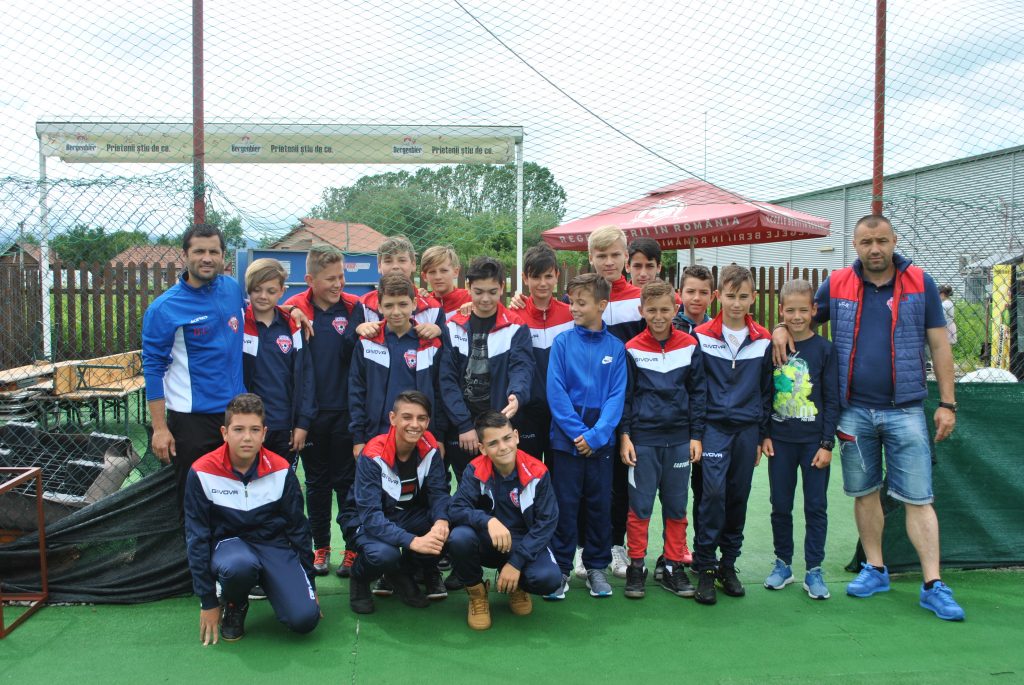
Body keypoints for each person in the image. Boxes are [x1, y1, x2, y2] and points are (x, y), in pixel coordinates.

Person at [771, 214, 964, 621]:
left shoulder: (921, 283)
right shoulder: (837, 283)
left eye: (881, 241)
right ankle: (875, 569)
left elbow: (940, 345)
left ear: (894, 240)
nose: (874, 249)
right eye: (866, 242)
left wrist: (947, 403)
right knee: (865, 492)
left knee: (918, 498)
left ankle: (933, 584)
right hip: (853, 411)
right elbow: (801, 317)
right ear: (855, 246)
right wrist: (778, 329)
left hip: (906, 409)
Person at [184, 394, 319, 645]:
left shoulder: (281, 470)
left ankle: (277, 584)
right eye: (238, 429)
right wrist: (207, 601)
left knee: (305, 620)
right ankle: (234, 603)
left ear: (264, 434)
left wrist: (309, 583)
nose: (247, 437)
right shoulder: (202, 472)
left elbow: (299, 530)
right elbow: (197, 537)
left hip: (272, 545)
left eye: (254, 430)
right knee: (239, 566)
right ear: (225, 433)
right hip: (229, 547)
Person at [142, 223, 247, 511]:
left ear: (223, 256)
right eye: (199, 251)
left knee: (236, 499)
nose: (207, 258)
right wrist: (159, 428)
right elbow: (153, 369)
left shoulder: (231, 288)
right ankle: (192, 543)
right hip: (192, 422)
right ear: (185, 255)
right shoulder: (164, 308)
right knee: (195, 503)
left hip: (235, 415)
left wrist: (291, 310)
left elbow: (253, 313)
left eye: (214, 251)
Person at [691, 264, 773, 606]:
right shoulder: (701, 336)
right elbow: (696, 388)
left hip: (746, 430)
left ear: (753, 297)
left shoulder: (764, 339)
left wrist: (761, 433)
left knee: (738, 495)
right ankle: (705, 567)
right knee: (711, 495)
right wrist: (696, 432)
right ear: (718, 297)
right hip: (712, 428)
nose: (736, 303)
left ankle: (728, 564)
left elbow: (766, 390)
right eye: (730, 296)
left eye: (743, 296)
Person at [620, 280, 706, 600]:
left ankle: (672, 565)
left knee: (676, 506)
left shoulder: (690, 345)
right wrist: (625, 435)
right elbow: (626, 397)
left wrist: (696, 435)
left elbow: (698, 393)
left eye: (665, 310)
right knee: (640, 507)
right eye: (652, 310)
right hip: (643, 441)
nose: (658, 316)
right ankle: (636, 566)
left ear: (676, 309)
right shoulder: (631, 348)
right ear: (641, 310)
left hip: (680, 440)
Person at [545, 273, 627, 599]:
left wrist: (596, 436)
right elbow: (556, 392)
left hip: (601, 445)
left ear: (602, 305)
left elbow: (616, 397)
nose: (574, 308)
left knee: (599, 506)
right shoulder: (562, 343)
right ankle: (561, 568)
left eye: (581, 303)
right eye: (571, 302)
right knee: (565, 506)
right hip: (566, 442)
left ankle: (596, 567)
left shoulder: (616, 348)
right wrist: (580, 434)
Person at [284, 246, 361, 578]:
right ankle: (321, 547)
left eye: (341, 277)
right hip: (311, 414)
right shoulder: (296, 307)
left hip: (347, 412)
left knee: (347, 483)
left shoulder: (355, 307)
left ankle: (352, 548)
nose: (338, 284)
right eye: (330, 279)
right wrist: (290, 309)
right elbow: (263, 307)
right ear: (310, 280)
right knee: (316, 483)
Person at [759, 279, 839, 600]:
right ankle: (783, 564)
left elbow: (831, 399)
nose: (796, 316)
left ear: (814, 310)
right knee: (780, 505)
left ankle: (814, 569)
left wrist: (827, 443)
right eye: (790, 310)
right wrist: (765, 433)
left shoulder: (825, 350)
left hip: (813, 445)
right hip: (780, 442)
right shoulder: (773, 347)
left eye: (803, 310)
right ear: (781, 311)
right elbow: (765, 393)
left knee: (816, 506)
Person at [339, 391, 451, 615]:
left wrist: (441, 521)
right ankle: (359, 578)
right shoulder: (373, 454)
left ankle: (401, 572)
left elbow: (439, 493)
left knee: (450, 525)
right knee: (384, 554)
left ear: (428, 421)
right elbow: (371, 516)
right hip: (363, 519)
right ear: (393, 418)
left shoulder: (430, 448)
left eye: (421, 418)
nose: (415, 425)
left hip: (406, 514)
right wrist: (412, 541)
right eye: (407, 417)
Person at [447, 410, 562, 630]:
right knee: (459, 538)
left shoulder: (538, 472)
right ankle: (477, 593)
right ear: (482, 448)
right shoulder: (475, 469)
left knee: (548, 579)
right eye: (493, 443)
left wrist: (516, 562)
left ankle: (518, 586)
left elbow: (547, 522)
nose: (503, 447)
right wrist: (487, 521)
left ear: (516, 436)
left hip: (522, 542)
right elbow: (456, 509)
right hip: (487, 540)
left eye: (507, 438)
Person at [441, 256, 535, 484]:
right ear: (468, 287)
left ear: (502, 287)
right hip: (463, 428)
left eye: (492, 292)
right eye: (478, 291)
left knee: (505, 486)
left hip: (500, 424)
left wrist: (517, 395)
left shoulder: (515, 326)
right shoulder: (452, 326)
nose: (485, 299)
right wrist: (463, 424)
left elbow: (522, 368)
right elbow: (447, 380)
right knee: (468, 487)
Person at [664, 263, 716, 577]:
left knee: (704, 490)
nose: (696, 298)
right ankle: (673, 550)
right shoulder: (669, 326)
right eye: (691, 291)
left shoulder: (717, 329)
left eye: (703, 292)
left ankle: (701, 550)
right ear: (679, 294)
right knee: (674, 492)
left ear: (713, 296)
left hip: (709, 423)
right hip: (674, 423)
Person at [242, 258, 316, 465]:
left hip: (285, 425)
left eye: (271, 291)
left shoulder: (293, 326)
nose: (263, 296)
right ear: (248, 289)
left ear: (282, 291)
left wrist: (302, 423)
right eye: (257, 290)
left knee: (282, 480)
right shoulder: (238, 324)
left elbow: (306, 377)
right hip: (249, 424)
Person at [513, 244, 573, 464]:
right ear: (525, 278)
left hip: (564, 410)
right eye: (535, 277)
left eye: (548, 276)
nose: (542, 283)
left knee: (559, 474)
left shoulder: (571, 314)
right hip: (528, 412)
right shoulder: (514, 316)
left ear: (557, 275)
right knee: (530, 471)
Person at [354, 234, 445, 339]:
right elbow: (349, 343)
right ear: (379, 266)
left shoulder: (433, 308)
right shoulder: (364, 304)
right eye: (388, 261)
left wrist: (439, 331)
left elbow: (446, 345)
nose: (395, 266)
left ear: (413, 265)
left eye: (402, 260)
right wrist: (358, 329)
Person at [420, 244, 471, 320]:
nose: (438, 277)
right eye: (432, 272)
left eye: (444, 271)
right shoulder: (423, 303)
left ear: (456, 272)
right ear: (424, 276)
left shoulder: (470, 298)